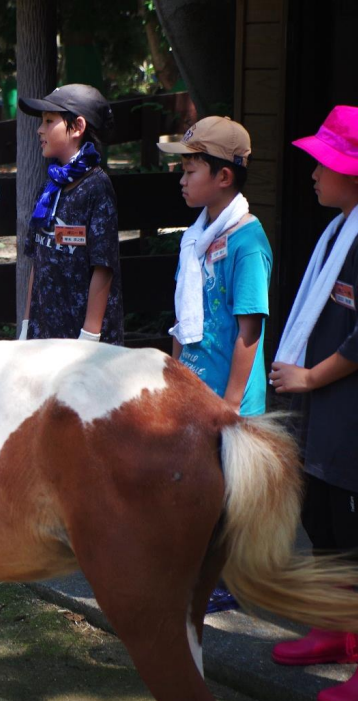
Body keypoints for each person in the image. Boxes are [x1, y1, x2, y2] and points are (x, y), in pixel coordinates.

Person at [157, 116, 271, 615]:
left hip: (230, 396)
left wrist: (230, 402)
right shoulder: (196, 236)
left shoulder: (247, 241)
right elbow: (185, 320)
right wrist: (174, 379)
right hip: (194, 389)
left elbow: (250, 328)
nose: (181, 178)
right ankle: (201, 571)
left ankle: (228, 580)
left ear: (224, 176)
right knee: (200, 486)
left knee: (228, 494)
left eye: (190, 168)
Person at [269, 105, 358, 701]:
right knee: (321, 520)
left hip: (346, 409)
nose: (313, 172)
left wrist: (308, 379)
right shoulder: (337, 227)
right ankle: (333, 627)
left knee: (352, 535)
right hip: (323, 411)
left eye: (324, 162)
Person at [17, 84, 123, 344]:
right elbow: (37, 259)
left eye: (49, 121)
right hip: (44, 337)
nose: (39, 129)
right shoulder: (49, 186)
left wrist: (89, 336)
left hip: (82, 343)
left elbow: (103, 266)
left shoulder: (97, 188)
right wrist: (27, 325)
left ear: (77, 127)